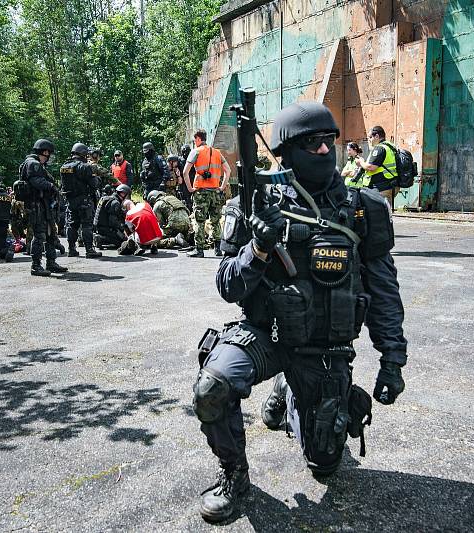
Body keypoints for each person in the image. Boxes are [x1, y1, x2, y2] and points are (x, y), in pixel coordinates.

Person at [191, 101, 407, 522]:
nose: (325, 151)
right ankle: (233, 475)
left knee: (325, 465)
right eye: (312, 144)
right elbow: (227, 285)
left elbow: (384, 290)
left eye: (329, 141)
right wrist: (258, 249)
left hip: (323, 348)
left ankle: (291, 393)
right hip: (265, 336)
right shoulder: (251, 205)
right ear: (285, 153)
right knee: (210, 389)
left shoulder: (363, 209)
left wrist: (392, 360)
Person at [19, 139, 68, 277]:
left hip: (43, 205)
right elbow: (36, 182)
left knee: (51, 234)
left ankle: (51, 263)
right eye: (49, 154)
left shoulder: (36, 164)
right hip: (36, 206)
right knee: (39, 235)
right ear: (44, 152)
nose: (49, 157)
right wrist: (51, 186)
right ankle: (36, 266)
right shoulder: (32, 164)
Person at [183, 128, 230, 258]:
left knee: (199, 220)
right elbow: (228, 171)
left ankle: (199, 250)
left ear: (198, 139)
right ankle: (218, 249)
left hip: (201, 192)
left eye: (195, 140)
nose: (194, 142)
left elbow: (185, 172)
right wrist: (222, 187)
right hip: (215, 191)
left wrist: (190, 188)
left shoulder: (195, 152)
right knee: (215, 220)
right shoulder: (216, 152)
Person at [61, 143, 102, 259]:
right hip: (83, 199)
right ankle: (89, 250)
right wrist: (98, 179)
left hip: (70, 200)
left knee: (72, 224)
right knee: (86, 225)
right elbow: (93, 184)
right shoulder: (84, 166)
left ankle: (71, 249)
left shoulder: (64, 166)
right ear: (83, 154)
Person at [354, 126, 398, 201]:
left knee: (377, 211)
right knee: (385, 210)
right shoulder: (390, 147)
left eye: (370, 137)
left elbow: (371, 167)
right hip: (390, 184)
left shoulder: (379, 148)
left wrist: (361, 162)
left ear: (377, 136)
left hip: (382, 187)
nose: (369, 140)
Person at [94, 183, 132, 249]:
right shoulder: (115, 203)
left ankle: (100, 236)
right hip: (105, 228)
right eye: (127, 195)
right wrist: (123, 228)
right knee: (123, 241)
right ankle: (101, 239)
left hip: (98, 226)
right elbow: (113, 222)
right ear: (123, 194)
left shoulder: (106, 198)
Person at [179, 144, 194, 211]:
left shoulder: (193, 159)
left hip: (192, 180)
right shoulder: (180, 160)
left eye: (187, 151)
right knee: (185, 197)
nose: (185, 153)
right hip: (184, 182)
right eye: (184, 151)